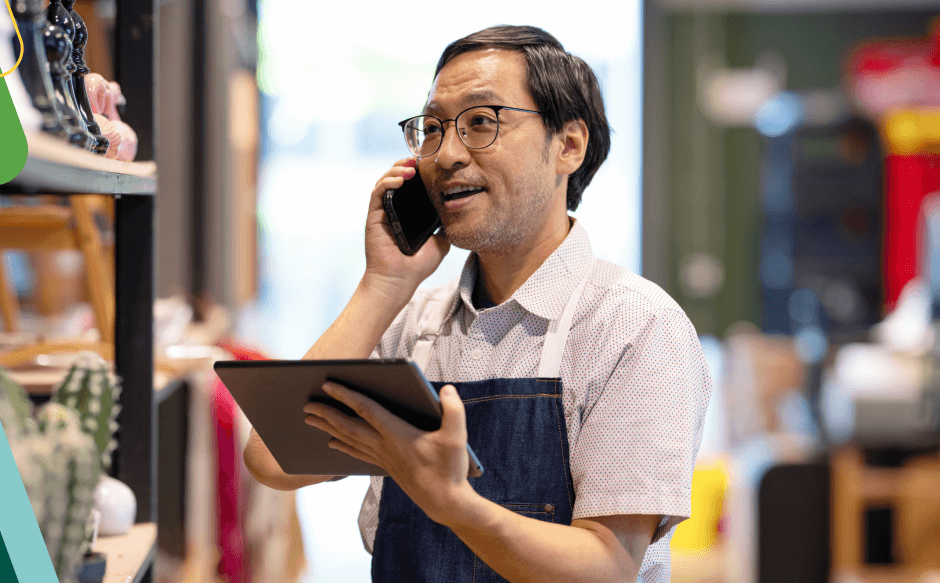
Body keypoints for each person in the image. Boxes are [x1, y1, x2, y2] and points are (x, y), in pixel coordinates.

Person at [243, 25, 712, 583]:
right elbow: (273, 458)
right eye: (433, 128)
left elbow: (605, 568)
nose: (445, 155)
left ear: (568, 145)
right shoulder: (417, 323)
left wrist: (452, 503)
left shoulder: (633, 328)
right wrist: (384, 286)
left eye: (481, 123)